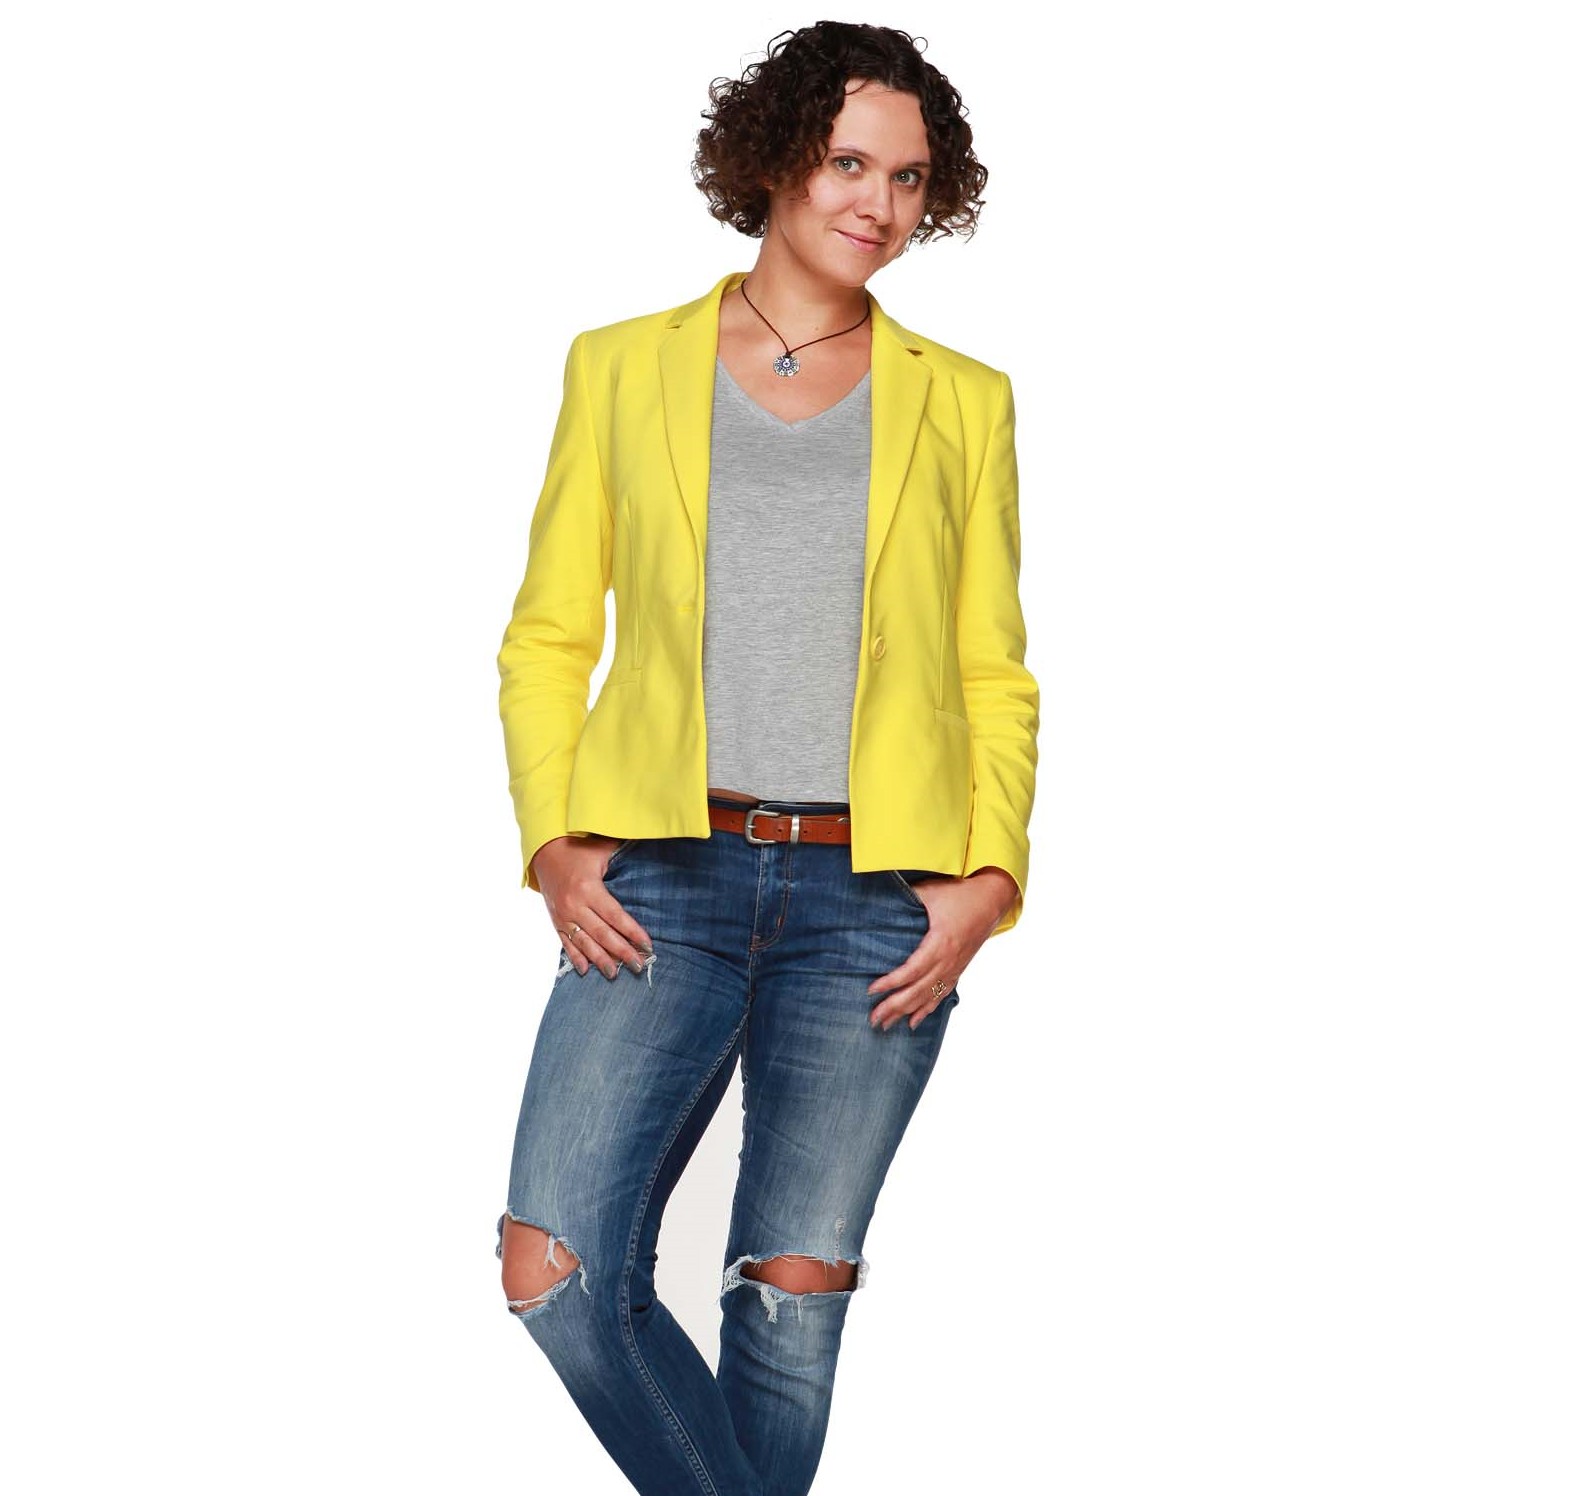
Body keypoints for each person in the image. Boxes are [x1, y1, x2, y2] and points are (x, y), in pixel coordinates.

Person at [491, 21, 1039, 1495]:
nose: (879, 202)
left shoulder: (964, 397)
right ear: (778, 157)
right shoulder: (623, 366)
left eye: (910, 178)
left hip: (878, 898)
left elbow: (994, 668)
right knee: (555, 1261)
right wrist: (554, 840)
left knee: (794, 1304)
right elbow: (548, 634)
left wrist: (990, 879)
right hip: (661, 876)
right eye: (850, 161)